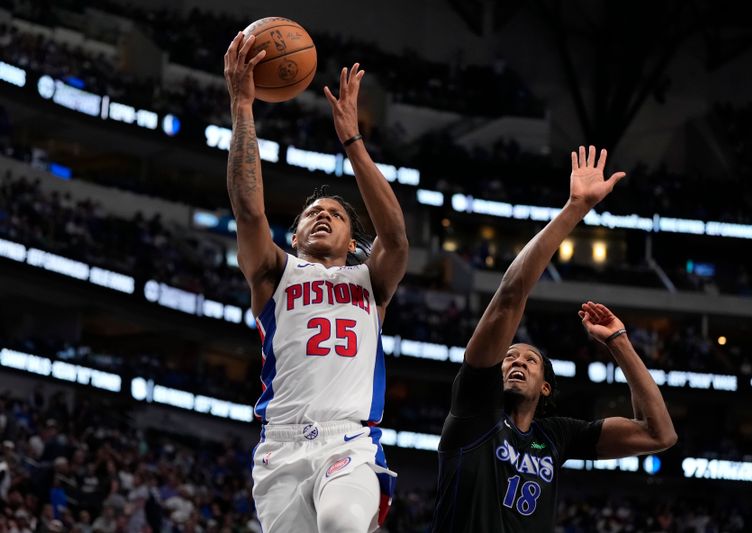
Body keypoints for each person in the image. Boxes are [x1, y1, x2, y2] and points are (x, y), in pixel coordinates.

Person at [430, 146, 677, 532]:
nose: (516, 362)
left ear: (545, 387)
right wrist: (575, 208)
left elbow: (659, 433)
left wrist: (619, 342)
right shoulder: (475, 410)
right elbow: (511, 294)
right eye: (510, 357)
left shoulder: (555, 436)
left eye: (529, 360)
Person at [223, 32, 408, 533]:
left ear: (353, 242)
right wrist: (243, 106)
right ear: (296, 233)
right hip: (279, 446)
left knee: (342, 523)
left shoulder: (370, 280)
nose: (322, 216)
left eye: (334, 214)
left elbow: (394, 233)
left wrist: (353, 141)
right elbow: (247, 208)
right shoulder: (274, 272)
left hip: (348, 441)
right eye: (312, 213)